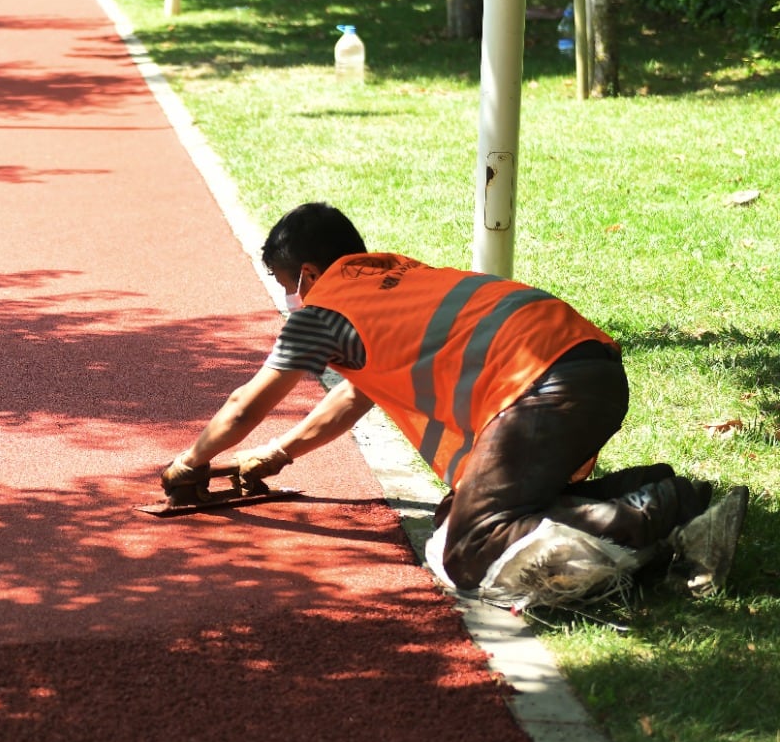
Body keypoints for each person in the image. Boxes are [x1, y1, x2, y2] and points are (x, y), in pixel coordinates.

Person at [161, 202, 748, 611]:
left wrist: (189, 464)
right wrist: (279, 453)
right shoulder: (395, 278)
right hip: (584, 365)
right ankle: (659, 493)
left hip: (543, 386)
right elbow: (354, 395)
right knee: (457, 515)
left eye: (287, 282)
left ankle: (663, 512)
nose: (288, 297)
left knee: (468, 549)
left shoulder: (320, 313)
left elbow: (244, 404)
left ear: (309, 274)